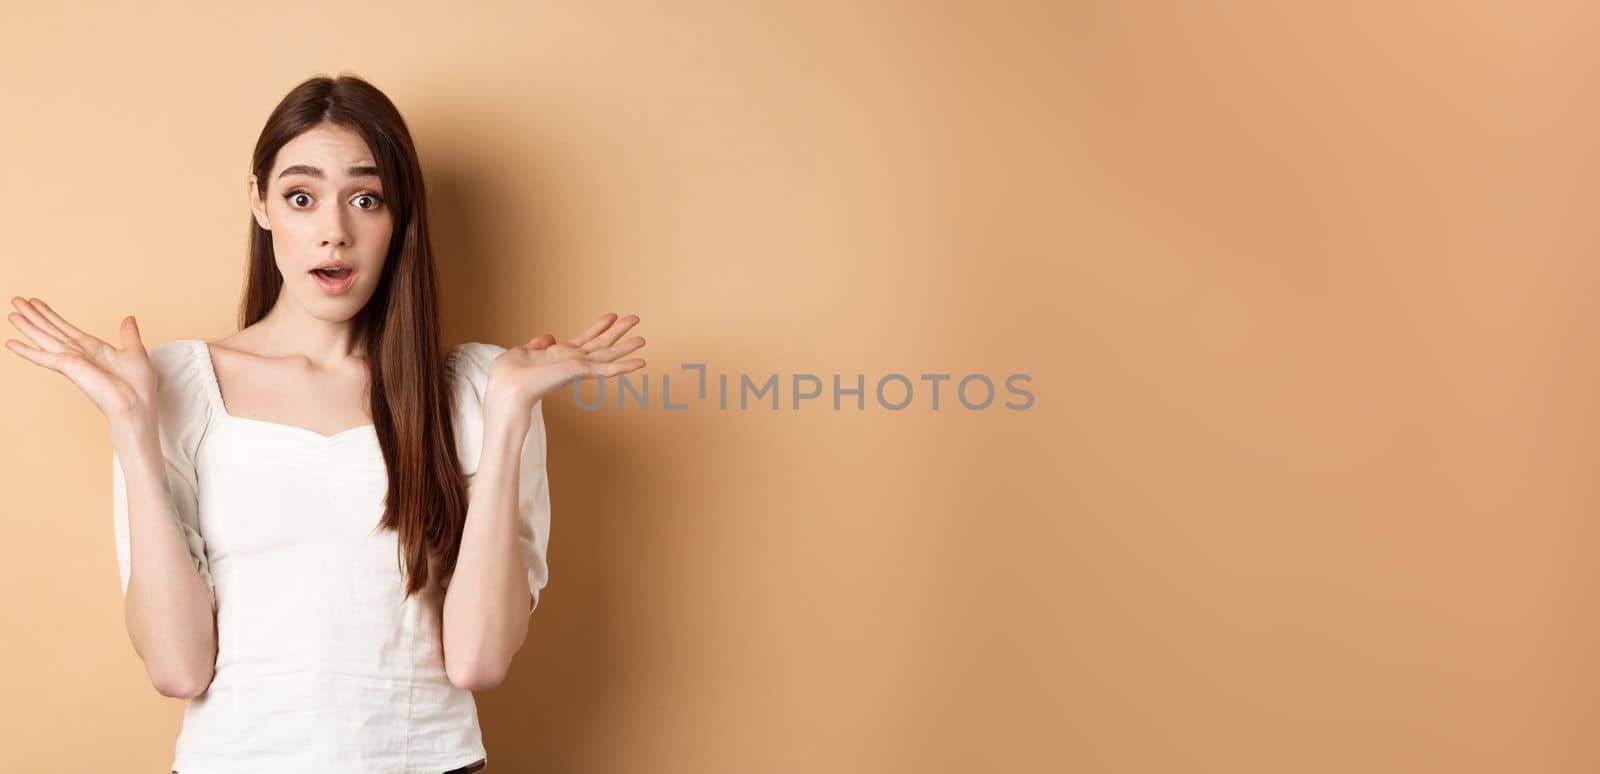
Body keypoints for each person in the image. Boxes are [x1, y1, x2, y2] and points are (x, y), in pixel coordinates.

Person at [3, 73, 646, 773]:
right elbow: (178, 669)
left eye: (365, 199)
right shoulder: (174, 386)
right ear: (261, 204)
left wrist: (511, 416)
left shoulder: (480, 390)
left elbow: (479, 659)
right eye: (301, 197)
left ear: (400, 217)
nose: (333, 232)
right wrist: (131, 427)